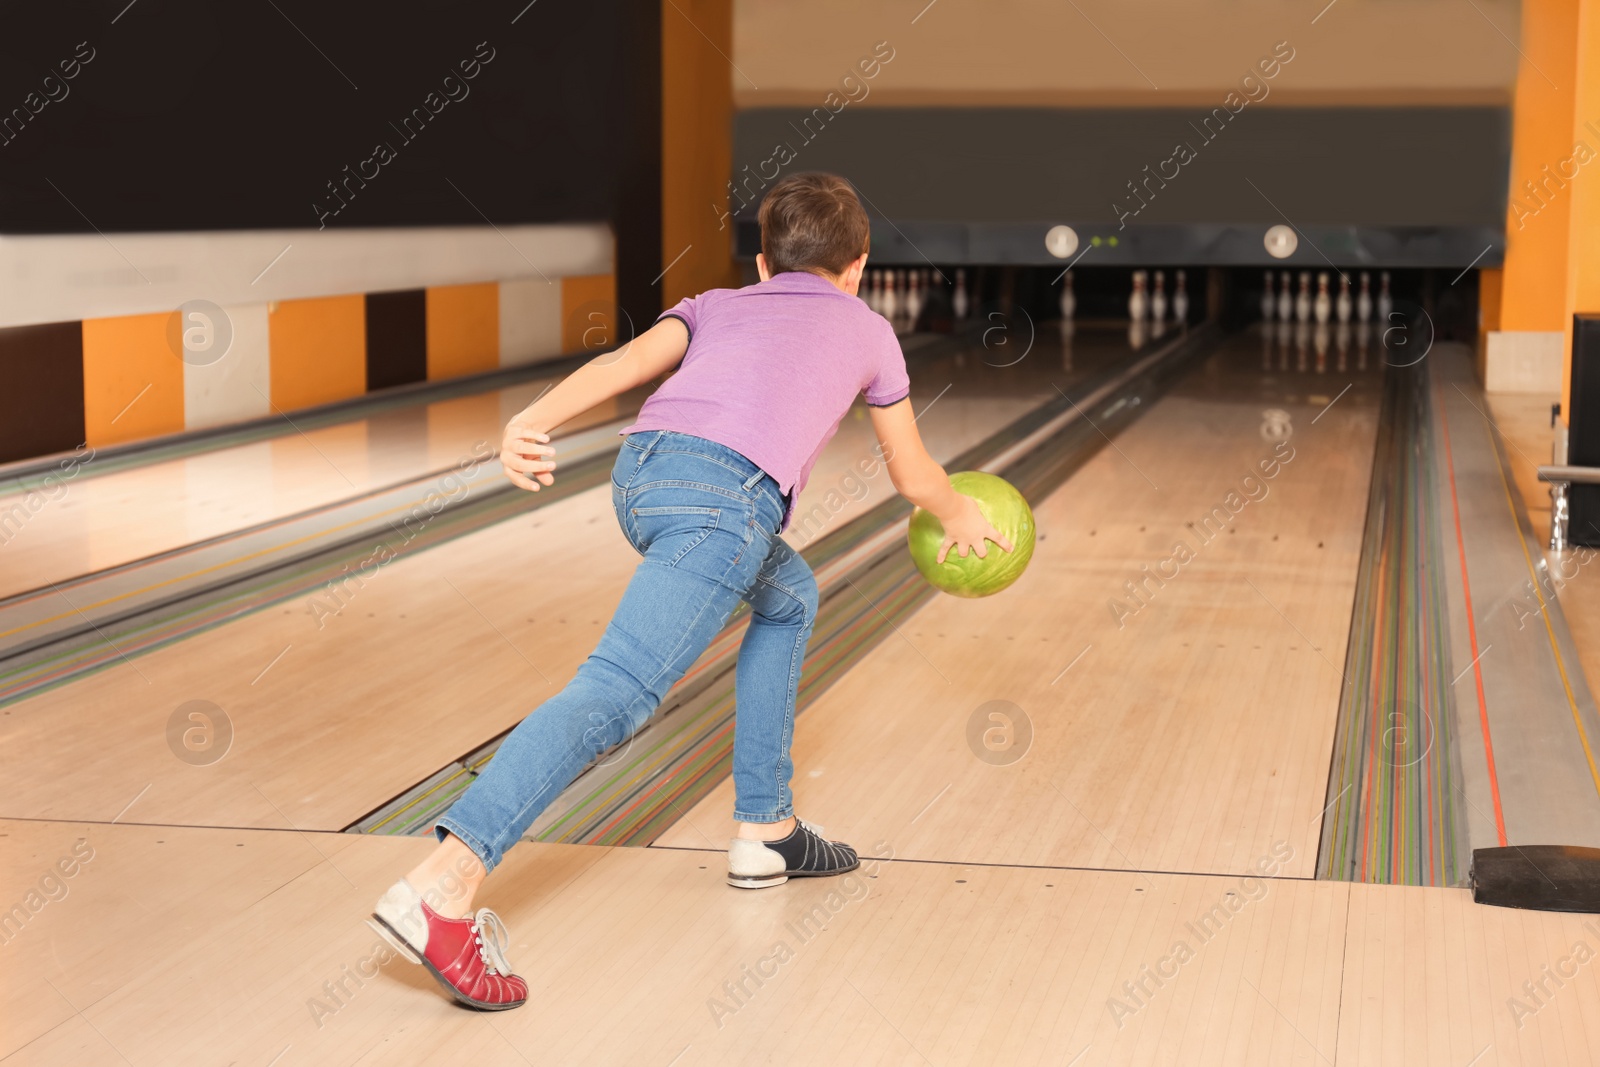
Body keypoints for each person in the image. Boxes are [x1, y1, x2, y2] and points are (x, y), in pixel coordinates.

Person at [370, 172, 1012, 1010]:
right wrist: (959, 509)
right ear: (859, 265)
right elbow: (910, 469)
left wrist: (528, 422)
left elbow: (625, 362)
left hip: (644, 476)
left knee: (790, 596)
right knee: (617, 692)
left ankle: (766, 829)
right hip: (726, 506)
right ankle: (440, 887)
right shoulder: (868, 328)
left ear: (761, 261)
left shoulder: (717, 301)